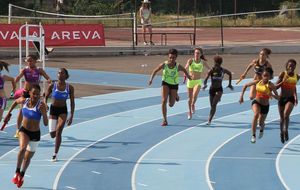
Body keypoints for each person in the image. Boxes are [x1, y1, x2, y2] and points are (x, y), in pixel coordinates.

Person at [3, 84, 48, 188]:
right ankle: (17, 172)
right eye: (34, 93)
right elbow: (14, 102)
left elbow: (45, 123)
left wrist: (44, 113)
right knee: (22, 148)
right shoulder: (24, 101)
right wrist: (8, 114)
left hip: (35, 134)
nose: (36, 95)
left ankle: (22, 175)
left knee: (27, 158)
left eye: (38, 94)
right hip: (24, 130)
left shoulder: (41, 106)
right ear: (30, 93)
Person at [148, 48, 191, 126]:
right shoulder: (164, 65)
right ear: (168, 56)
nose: (171, 59)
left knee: (171, 104)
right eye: (170, 57)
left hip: (174, 85)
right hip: (165, 83)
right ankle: (165, 120)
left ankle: (175, 95)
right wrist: (151, 79)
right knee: (164, 100)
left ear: (176, 57)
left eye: (173, 57)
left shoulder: (178, 66)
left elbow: (185, 70)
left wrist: (189, 77)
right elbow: (155, 70)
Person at [14, 55, 52, 138]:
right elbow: (18, 77)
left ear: (35, 61)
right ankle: (18, 130)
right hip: (26, 93)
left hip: (35, 94)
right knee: (21, 110)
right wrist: (15, 81)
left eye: (30, 61)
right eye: (27, 61)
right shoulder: (25, 70)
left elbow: (48, 78)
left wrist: (49, 82)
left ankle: (34, 128)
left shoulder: (39, 70)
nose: (29, 62)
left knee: (36, 110)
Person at [239, 67, 279, 143]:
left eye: (267, 76)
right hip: (256, 102)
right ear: (262, 75)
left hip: (265, 106)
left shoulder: (271, 85)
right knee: (256, 114)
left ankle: (262, 129)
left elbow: (278, 98)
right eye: (264, 75)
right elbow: (245, 85)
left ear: (270, 77)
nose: (265, 77)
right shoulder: (257, 81)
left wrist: (272, 95)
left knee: (261, 123)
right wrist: (241, 97)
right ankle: (253, 135)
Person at [44, 68, 75, 162]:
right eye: (58, 73)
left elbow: (72, 102)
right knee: (52, 134)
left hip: (63, 111)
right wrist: (45, 104)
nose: (60, 74)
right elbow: (45, 96)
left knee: (59, 131)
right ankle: (55, 130)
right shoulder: (52, 85)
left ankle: (55, 154)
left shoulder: (70, 87)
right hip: (53, 110)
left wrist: (71, 116)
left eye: (62, 73)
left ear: (66, 75)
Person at [203, 55, 233, 125]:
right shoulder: (211, 70)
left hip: (219, 89)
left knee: (213, 105)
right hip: (212, 89)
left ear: (220, 64)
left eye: (217, 63)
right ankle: (218, 98)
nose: (215, 65)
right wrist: (205, 85)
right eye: (215, 63)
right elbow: (205, 79)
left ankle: (209, 120)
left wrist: (230, 84)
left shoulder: (223, 70)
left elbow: (230, 74)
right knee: (212, 105)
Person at [276, 59, 299, 143]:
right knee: (282, 118)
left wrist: (296, 97)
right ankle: (281, 132)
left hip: (290, 98)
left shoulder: (297, 76)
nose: (291, 67)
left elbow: (294, 86)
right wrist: (283, 81)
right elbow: (275, 87)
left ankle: (286, 130)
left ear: (295, 67)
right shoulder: (283, 74)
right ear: (287, 66)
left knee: (286, 115)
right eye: (290, 65)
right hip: (282, 98)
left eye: (293, 65)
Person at [183, 47, 210, 120]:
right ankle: (189, 112)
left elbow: (210, 69)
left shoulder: (202, 62)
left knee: (194, 96)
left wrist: (211, 71)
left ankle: (193, 104)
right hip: (190, 81)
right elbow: (185, 68)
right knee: (189, 98)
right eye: (195, 53)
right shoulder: (190, 60)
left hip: (198, 81)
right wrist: (185, 73)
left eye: (198, 53)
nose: (196, 54)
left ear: (201, 54)